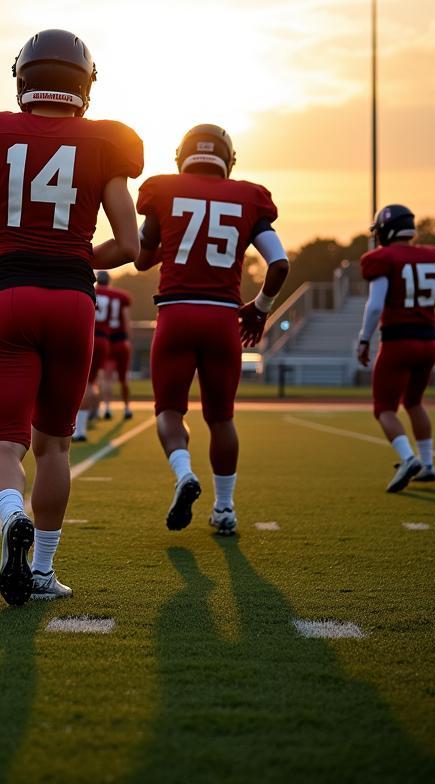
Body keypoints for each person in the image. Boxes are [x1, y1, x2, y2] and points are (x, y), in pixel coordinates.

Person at [0, 29, 142, 605]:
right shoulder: (106, 142)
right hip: (73, 302)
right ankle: (44, 571)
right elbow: (131, 245)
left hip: (10, 296)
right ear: (84, 85)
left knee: (4, 443)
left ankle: (8, 514)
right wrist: (76, 257)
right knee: (55, 446)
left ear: (23, 77)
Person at [136, 124, 288, 536]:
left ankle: (184, 473)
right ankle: (224, 509)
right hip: (224, 319)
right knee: (221, 418)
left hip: (176, 315)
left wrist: (174, 233)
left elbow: (141, 258)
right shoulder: (248, 197)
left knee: (169, 411)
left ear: (182, 155)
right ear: (229, 158)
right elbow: (279, 264)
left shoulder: (163, 190)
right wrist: (261, 307)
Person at [357, 204, 435, 492]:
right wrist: (429, 332)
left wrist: (363, 339)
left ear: (385, 229)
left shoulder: (383, 258)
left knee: (384, 408)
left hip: (398, 342)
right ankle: (429, 463)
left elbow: (375, 306)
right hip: (427, 342)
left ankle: (408, 459)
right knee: (414, 402)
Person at [72, 270, 112, 441]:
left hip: (86, 335)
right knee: (92, 381)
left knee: (80, 381)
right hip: (104, 339)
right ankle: (83, 425)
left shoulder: (86, 290)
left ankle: (78, 428)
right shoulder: (116, 296)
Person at [100, 278, 134, 420]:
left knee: (106, 377)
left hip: (104, 339)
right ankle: (126, 408)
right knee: (123, 378)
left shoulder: (95, 293)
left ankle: (107, 407)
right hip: (120, 340)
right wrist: (128, 338)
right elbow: (126, 320)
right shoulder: (121, 296)